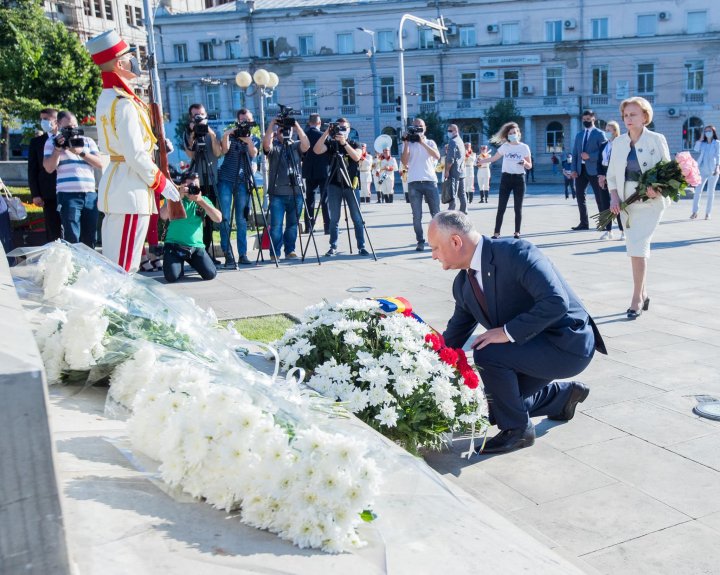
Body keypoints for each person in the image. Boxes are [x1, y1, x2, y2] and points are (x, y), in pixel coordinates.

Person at [430, 210, 606, 454]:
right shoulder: (463, 284)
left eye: (435, 247)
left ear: (456, 242)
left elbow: (556, 301)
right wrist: (421, 359)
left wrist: (507, 331)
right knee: (497, 404)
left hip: (567, 344)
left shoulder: (516, 253)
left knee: (487, 351)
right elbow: (453, 337)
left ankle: (518, 431)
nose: (433, 255)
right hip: (532, 348)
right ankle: (564, 397)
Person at [85, 30, 180, 273]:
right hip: (130, 189)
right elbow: (135, 153)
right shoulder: (123, 103)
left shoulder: (108, 98)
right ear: (119, 63)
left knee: (117, 264)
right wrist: (161, 182)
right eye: (129, 57)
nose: (134, 62)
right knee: (124, 268)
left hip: (120, 185)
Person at [607, 97, 670, 319]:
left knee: (638, 247)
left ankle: (636, 298)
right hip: (627, 204)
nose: (628, 119)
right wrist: (614, 198)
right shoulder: (618, 142)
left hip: (650, 203)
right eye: (625, 115)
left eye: (633, 114)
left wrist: (658, 188)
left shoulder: (656, 139)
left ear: (645, 117)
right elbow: (612, 176)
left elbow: (668, 171)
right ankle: (644, 292)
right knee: (635, 247)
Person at [42, 110, 103, 248]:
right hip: (67, 195)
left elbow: (100, 163)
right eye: (68, 128)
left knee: (90, 236)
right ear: (58, 125)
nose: (72, 131)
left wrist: (81, 152)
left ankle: (89, 267)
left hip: (90, 195)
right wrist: (57, 149)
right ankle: (74, 268)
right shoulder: (52, 142)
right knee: (72, 236)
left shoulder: (87, 141)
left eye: (74, 127)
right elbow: (49, 168)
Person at [313, 118, 369, 257]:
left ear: (349, 130)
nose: (341, 131)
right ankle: (333, 246)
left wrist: (344, 143)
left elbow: (356, 157)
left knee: (356, 217)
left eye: (344, 128)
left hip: (351, 184)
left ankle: (361, 246)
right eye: (339, 128)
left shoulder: (355, 143)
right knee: (334, 218)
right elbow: (316, 150)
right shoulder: (332, 144)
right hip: (334, 185)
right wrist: (327, 132)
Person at [216, 108, 259, 269]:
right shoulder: (230, 135)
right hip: (226, 179)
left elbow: (254, 154)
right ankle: (228, 253)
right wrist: (228, 134)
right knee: (225, 218)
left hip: (243, 181)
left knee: (242, 219)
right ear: (237, 120)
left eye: (247, 120)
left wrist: (248, 140)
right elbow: (224, 150)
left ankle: (243, 254)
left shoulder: (253, 137)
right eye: (242, 120)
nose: (245, 123)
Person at [160, 172, 222, 283]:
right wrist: (177, 197)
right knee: (171, 277)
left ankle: (188, 263)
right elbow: (163, 215)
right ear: (182, 186)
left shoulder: (202, 200)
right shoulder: (173, 198)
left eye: (195, 187)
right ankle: (178, 266)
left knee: (210, 274)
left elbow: (218, 218)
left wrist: (200, 201)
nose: (192, 189)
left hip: (195, 248)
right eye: (189, 186)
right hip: (174, 246)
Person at [263, 117, 310, 261]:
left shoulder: (295, 146)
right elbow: (266, 146)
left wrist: (296, 126)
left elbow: (307, 145)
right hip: (277, 194)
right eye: (281, 131)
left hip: (296, 192)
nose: (285, 133)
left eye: (286, 130)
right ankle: (275, 252)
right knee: (276, 226)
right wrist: (272, 125)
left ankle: (290, 250)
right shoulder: (275, 147)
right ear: (277, 134)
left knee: (293, 225)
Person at [477, 122, 531, 239]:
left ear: (518, 133)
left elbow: (530, 166)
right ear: (507, 135)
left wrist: (525, 163)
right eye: (510, 133)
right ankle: (496, 233)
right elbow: (494, 158)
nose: (512, 135)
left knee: (518, 207)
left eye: (514, 133)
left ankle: (517, 232)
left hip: (519, 179)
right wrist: (482, 161)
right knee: (501, 207)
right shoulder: (505, 147)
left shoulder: (524, 147)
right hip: (506, 179)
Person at [184, 103, 223, 257]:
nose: (199, 118)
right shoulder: (187, 133)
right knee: (198, 217)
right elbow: (191, 155)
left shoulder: (214, 131)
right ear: (191, 117)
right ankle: (197, 251)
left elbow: (218, 153)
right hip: (196, 181)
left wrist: (210, 133)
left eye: (201, 114)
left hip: (211, 180)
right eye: (196, 115)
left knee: (210, 217)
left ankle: (206, 253)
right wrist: (193, 135)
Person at [400, 117, 441, 251]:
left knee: (436, 214)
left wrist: (422, 142)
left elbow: (437, 156)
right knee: (417, 216)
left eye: (420, 127)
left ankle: (437, 241)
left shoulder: (430, 142)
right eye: (415, 127)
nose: (418, 129)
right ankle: (420, 241)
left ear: (425, 128)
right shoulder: (409, 144)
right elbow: (405, 161)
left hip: (430, 181)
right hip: (414, 183)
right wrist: (406, 142)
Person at [28, 108, 62, 242]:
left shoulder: (67, 138)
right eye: (41, 119)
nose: (43, 122)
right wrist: (35, 194)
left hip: (68, 189)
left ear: (56, 121)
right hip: (48, 193)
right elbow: (32, 170)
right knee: (53, 230)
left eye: (46, 119)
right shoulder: (36, 142)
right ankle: (54, 259)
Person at [570, 110, 607, 230]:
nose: (586, 122)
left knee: (599, 197)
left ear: (593, 119)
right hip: (580, 170)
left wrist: (590, 156)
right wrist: (573, 169)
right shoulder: (579, 135)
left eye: (588, 120)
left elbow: (604, 153)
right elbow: (575, 153)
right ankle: (584, 223)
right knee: (580, 197)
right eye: (584, 120)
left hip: (595, 170)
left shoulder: (599, 134)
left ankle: (604, 223)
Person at [302, 114, 330, 231]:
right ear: (320, 123)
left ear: (309, 122)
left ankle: (308, 226)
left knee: (309, 198)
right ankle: (327, 226)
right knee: (325, 199)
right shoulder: (323, 136)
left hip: (309, 170)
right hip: (323, 170)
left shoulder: (305, 136)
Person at [597, 121, 624, 240]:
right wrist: (601, 176)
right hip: (604, 175)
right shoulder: (603, 144)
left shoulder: (621, 144)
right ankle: (608, 231)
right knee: (605, 204)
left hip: (616, 176)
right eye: (606, 130)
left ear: (615, 131)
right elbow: (599, 161)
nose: (606, 132)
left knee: (617, 204)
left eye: (609, 130)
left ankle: (623, 231)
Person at [690, 125, 720, 220]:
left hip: (713, 171)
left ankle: (708, 213)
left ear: (713, 132)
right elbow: (695, 149)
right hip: (702, 170)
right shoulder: (702, 143)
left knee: (710, 193)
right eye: (706, 131)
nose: (708, 133)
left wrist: (717, 167)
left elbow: (718, 156)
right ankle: (694, 212)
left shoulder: (717, 143)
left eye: (709, 131)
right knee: (697, 191)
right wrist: (700, 139)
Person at [444, 124, 466, 213]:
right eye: (448, 130)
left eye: (450, 131)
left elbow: (450, 159)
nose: (448, 133)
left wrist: (447, 171)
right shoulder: (460, 141)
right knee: (462, 193)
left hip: (454, 171)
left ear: (456, 131)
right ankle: (464, 211)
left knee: (452, 193)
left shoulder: (453, 142)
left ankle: (451, 212)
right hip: (461, 171)